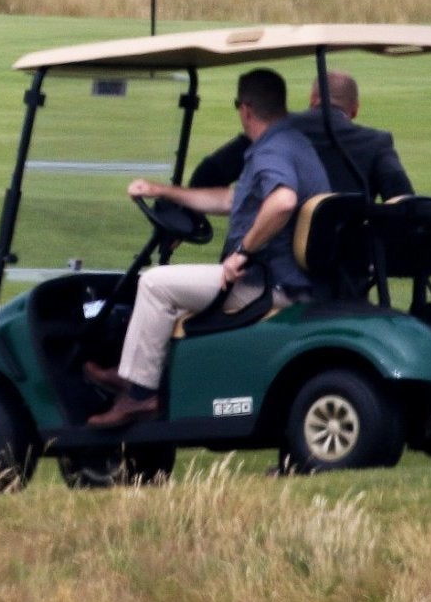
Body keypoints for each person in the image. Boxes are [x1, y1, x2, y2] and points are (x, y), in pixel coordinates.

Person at [84, 68, 329, 427]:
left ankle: (140, 395)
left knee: (154, 283)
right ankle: (135, 374)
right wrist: (164, 191)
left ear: (245, 109)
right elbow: (232, 199)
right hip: (287, 278)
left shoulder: (270, 150)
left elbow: (283, 201)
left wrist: (241, 252)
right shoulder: (292, 142)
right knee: (163, 284)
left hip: (264, 284)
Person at [188, 69, 413, 200]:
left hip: (273, 261)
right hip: (346, 269)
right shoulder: (376, 142)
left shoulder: (273, 128)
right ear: (355, 109)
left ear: (313, 99)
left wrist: (186, 211)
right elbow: (401, 199)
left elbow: (212, 170)